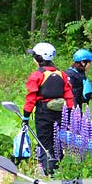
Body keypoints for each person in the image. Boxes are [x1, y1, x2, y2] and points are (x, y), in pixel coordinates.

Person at [23, 42, 74, 176]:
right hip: (60, 114)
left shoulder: (37, 75)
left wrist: (26, 117)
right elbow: (69, 96)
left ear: (38, 58)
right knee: (58, 142)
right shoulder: (62, 74)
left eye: (34, 56)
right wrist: (69, 114)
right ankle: (59, 170)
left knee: (45, 143)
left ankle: (48, 172)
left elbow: (31, 97)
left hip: (43, 113)